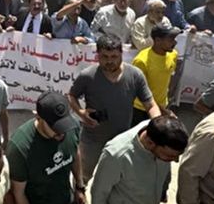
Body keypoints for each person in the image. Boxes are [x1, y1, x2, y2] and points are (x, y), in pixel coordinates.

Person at [92, 116, 189, 204]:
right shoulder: (117, 155)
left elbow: (165, 168)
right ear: (150, 143)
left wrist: (163, 189)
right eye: (170, 156)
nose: (174, 161)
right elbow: (98, 194)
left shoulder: (159, 135)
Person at [68, 34, 162, 183]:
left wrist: (159, 126)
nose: (110, 61)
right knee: (82, 176)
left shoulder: (135, 75)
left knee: (119, 179)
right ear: (97, 55)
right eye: (105, 56)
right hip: (92, 139)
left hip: (122, 140)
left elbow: (150, 104)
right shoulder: (87, 76)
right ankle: (78, 202)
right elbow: (71, 96)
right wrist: (81, 112)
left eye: (114, 56)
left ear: (121, 55)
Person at [7, 92, 83, 204]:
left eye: (64, 127)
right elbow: (18, 196)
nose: (61, 134)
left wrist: (79, 186)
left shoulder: (72, 127)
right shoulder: (20, 148)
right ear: (38, 118)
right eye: (55, 128)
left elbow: (75, 151)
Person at [131, 26, 180, 125]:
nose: (175, 42)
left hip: (163, 106)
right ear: (157, 40)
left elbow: (170, 77)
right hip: (142, 109)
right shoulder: (141, 61)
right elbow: (141, 92)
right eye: (171, 39)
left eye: (175, 39)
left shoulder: (173, 54)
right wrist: (164, 111)